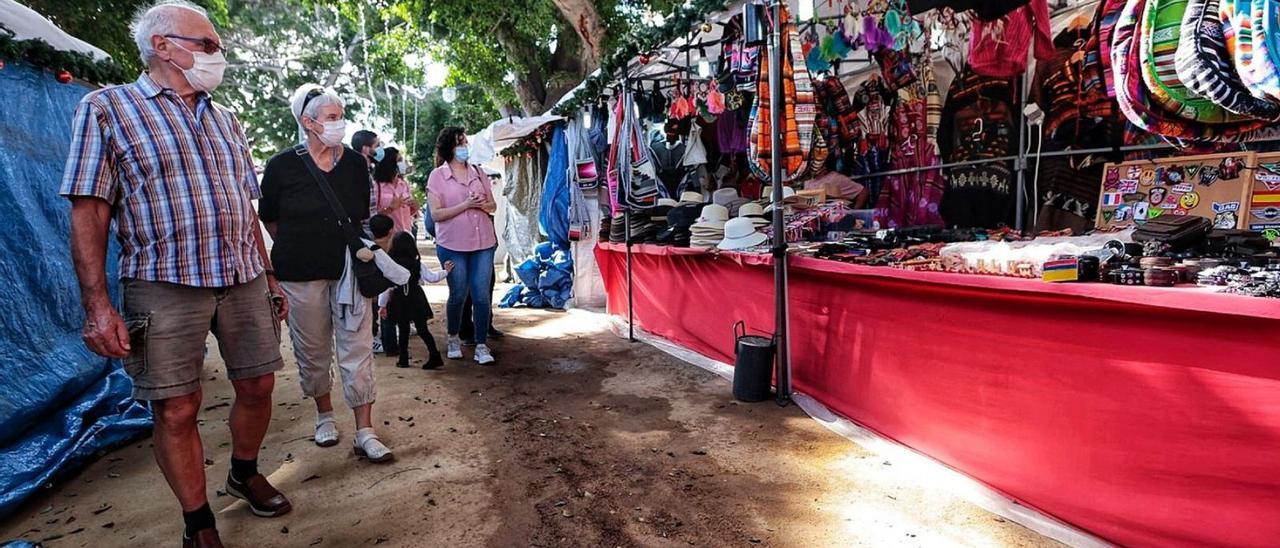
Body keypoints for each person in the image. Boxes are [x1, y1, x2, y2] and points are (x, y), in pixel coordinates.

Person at [61, 2, 289, 547]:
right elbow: (88, 209)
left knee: (257, 384)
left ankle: (244, 471)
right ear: (163, 46)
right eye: (208, 44)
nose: (219, 56)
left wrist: (269, 274)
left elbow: (244, 204)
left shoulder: (225, 117)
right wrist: (97, 306)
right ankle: (198, 523)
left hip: (242, 275)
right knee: (177, 405)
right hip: (161, 281)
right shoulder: (107, 109)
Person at [259, 83, 394, 465]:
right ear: (308, 122)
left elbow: (363, 216)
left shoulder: (354, 164)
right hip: (300, 272)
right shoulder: (282, 166)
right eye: (332, 118)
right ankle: (324, 415)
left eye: (341, 116)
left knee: (357, 347)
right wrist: (303, 242)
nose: (339, 124)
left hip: (348, 270)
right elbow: (270, 219)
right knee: (313, 349)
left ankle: (365, 431)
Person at [427, 127, 498, 365]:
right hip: (452, 244)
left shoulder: (479, 172)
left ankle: (480, 344)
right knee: (458, 293)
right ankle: (453, 337)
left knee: (481, 294)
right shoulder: (437, 176)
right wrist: (466, 205)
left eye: (466, 142)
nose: (465, 146)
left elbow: (493, 206)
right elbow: (436, 215)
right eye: (460, 142)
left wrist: (481, 206)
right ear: (449, 147)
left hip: (483, 242)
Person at [381, 232, 450, 369]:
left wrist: (382, 305)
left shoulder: (392, 265)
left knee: (403, 329)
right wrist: (446, 271)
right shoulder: (417, 263)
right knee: (422, 329)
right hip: (416, 297)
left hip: (399, 299)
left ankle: (403, 358)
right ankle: (434, 355)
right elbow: (432, 278)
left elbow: (387, 288)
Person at [369, 215, 400, 356]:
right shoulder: (393, 248)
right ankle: (388, 344)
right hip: (385, 290)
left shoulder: (367, 246)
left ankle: (376, 337)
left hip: (372, 289)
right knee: (387, 315)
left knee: (373, 314)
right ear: (390, 231)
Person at [373, 147, 419, 234]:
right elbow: (371, 216)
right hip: (386, 237)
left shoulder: (404, 184)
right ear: (390, 163)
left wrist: (414, 207)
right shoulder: (376, 186)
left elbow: (410, 212)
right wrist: (390, 208)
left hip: (406, 235)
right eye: (399, 160)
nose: (403, 163)